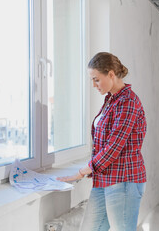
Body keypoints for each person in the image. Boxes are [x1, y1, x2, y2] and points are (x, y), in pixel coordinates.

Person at [57, 52, 147, 231]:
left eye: (96, 79)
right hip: (104, 179)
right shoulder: (111, 100)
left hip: (124, 181)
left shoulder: (128, 101)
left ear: (111, 74)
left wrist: (82, 171)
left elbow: (113, 147)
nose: (94, 85)